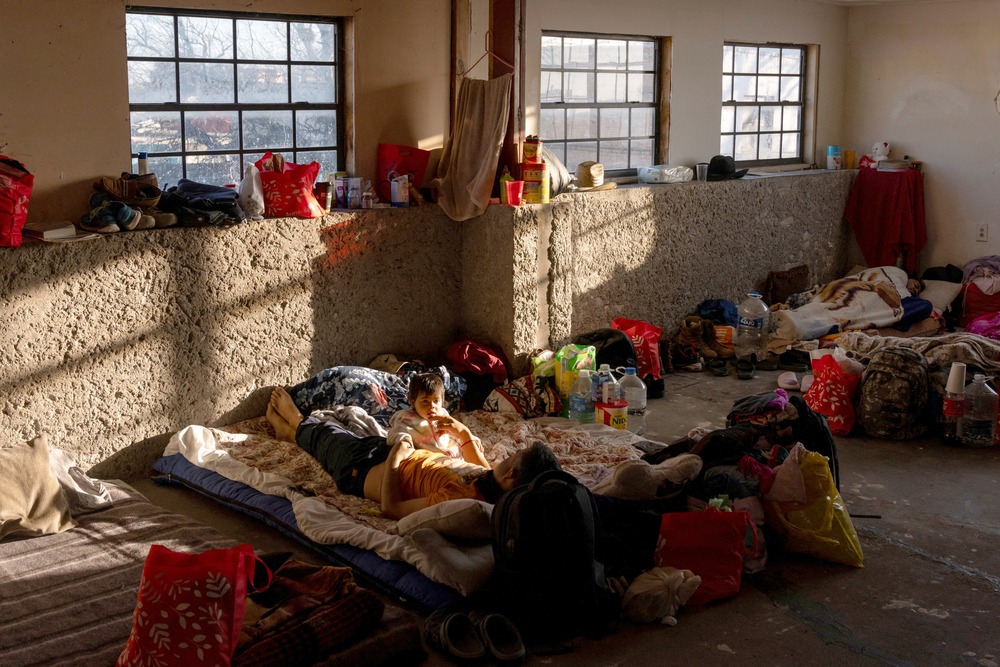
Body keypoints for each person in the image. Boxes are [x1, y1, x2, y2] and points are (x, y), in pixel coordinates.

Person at [266, 386, 561, 519]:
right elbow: (480, 466)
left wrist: (396, 457)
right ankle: (292, 434)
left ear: (509, 474)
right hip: (388, 454)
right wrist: (463, 433)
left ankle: (295, 424)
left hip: (363, 471)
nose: (502, 458)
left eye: (508, 459)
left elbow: (391, 509)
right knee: (341, 435)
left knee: (327, 436)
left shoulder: (464, 500)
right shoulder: (490, 485)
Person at [386, 372, 460, 457]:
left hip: (445, 453)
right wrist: (405, 439)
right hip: (424, 456)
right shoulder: (406, 418)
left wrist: (467, 440)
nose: (432, 406)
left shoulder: (443, 415)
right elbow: (394, 433)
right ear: (413, 403)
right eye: (425, 401)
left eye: (436, 401)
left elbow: (456, 431)